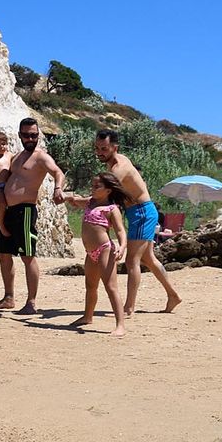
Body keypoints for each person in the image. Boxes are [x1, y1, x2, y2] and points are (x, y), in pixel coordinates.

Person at [94, 129, 181, 315]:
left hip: (142, 212)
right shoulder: (117, 162)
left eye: (104, 148)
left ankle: (129, 307)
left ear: (114, 148)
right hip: (139, 213)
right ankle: (173, 295)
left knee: (132, 260)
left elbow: (103, 194)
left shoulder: (119, 169)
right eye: (97, 148)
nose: (99, 152)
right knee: (148, 259)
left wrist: (77, 200)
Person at [0, 118, 65, 315]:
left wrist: (58, 188)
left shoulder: (41, 157)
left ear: (38, 135)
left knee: (27, 255)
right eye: (26, 135)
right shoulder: (16, 157)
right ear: (20, 135)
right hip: (7, 211)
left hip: (25, 211)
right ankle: (8, 297)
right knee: (4, 254)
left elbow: (58, 172)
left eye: (34, 135)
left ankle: (31, 302)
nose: (30, 138)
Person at [60, 173, 129, 336]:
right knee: (91, 286)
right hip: (90, 252)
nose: (93, 188)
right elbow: (74, 200)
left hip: (105, 249)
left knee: (111, 287)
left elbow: (120, 231)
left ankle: (120, 325)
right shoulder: (90, 202)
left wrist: (122, 246)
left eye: (97, 186)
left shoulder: (112, 209)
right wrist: (62, 195)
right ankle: (87, 316)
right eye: (93, 185)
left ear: (108, 190)